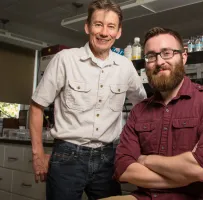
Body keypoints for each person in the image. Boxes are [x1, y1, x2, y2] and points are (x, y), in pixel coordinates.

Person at [29, 0, 146, 200]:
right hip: (67, 157)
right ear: (87, 27)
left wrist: (134, 148)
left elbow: (143, 107)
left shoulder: (125, 67)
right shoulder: (65, 59)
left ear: (118, 32)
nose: (104, 32)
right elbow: (37, 106)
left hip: (108, 159)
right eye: (98, 24)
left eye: (111, 26)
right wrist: (38, 155)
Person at [103, 27, 203, 200]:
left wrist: (144, 160)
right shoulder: (139, 111)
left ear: (183, 57)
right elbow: (123, 169)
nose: (159, 61)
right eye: (151, 56)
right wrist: (184, 174)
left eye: (167, 53)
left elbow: (200, 168)